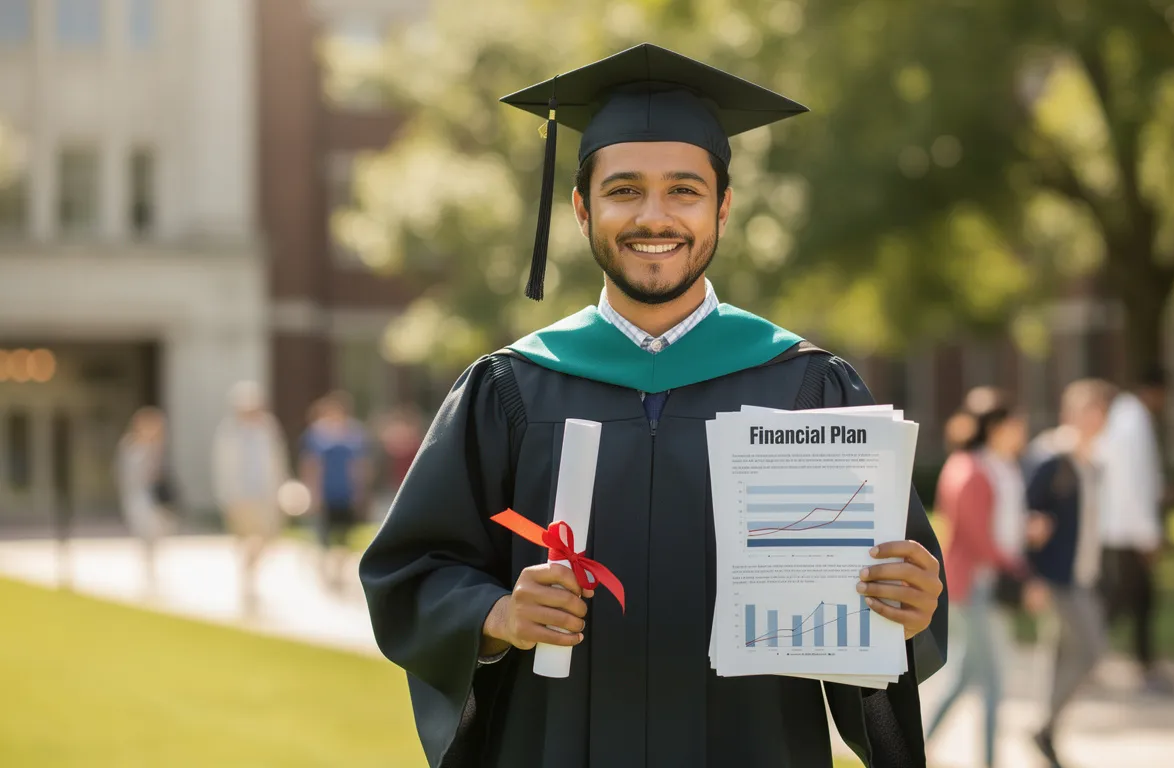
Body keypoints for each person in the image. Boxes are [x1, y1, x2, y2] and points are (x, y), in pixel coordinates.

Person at [359, 43, 948, 768]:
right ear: (582, 208)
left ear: (723, 208)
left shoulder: (806, 389)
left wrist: (913, 609)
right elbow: (411, 570)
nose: (655, 216)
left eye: (684, 190)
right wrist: (496, 615)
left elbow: (893, 608)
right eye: (624, 189)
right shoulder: (511, 388)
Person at [924, 388, 1048, 768]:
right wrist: (1024, 575)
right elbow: (979, 538)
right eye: (1016, 425)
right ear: (996, 427)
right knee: (993, 680)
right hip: (976, 586)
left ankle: (911, 748)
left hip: (981, 585)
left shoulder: (992, 466)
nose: (1022, 432)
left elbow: (994, 529)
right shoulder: (973, 470)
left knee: (966, 675)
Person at [1025, 379, 1116, 768]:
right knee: (1092, 651)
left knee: (1061, 654)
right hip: (1057, 578)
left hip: (1082, 573)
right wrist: (1032, 577)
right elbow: (1028, 517)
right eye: (1089, 410)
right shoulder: (1052, 459)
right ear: (1071, 413)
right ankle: (1044, 727)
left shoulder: (1092, 462)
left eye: (1101, 412)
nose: (1096, 419)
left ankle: (1047, 734)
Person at [1094, 365, 1174, 694]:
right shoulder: (1133, 421)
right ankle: (1091, 654)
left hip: (1118, 528)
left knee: (1133, 600)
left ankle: (1142, 663)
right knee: (1127, 600)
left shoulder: (1123, 418)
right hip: (1128, 531)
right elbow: (1134, 484)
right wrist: (1148, 536)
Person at [212, 381, 292, 614]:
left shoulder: (267, 428)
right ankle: (248, 580)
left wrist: (282, 489)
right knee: (246, 538)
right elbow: (223, 468)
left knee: (268, 537)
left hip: (265, 495)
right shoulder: (229, 432)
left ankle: (251, 572)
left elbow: (278, 460)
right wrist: (227, 498)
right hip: (241, 497)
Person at [301, 391, 371, 592]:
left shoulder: (354, 434)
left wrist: (361, 491)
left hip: (346, 492)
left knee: (345, 535)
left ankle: (338, 572)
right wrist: (313, 493)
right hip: (325, 492)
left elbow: (359, 465)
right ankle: (326, 572)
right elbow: (311, 465)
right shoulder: (316, 435)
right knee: (324, 534)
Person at [115, 406, 175, 594]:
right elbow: (126, 474)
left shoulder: (155, 447)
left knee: (157, 530)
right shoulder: (131, 446)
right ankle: (148, 567)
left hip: (152, 497)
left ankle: (151, 564)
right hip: (137, 497)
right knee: (145, 530)